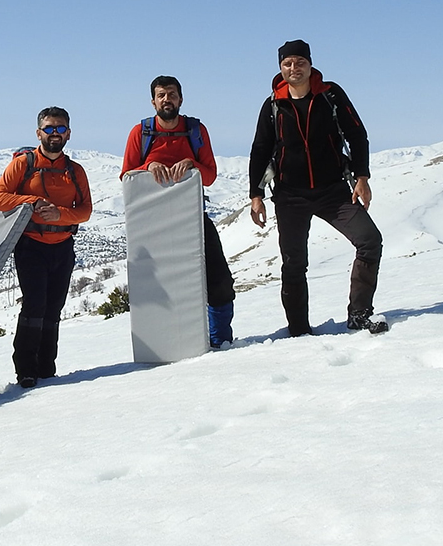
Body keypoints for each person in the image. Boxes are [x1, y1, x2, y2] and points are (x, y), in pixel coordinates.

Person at [247, 39, 387, 335]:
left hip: (334, 191)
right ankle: (298, 329)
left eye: (299, 62)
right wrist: (256, 195)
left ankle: (359, 314)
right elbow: (260, 149)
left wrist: (362, 177)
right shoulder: (273, 104)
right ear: (280, 68)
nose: (294, 68)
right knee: (294, 263)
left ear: (310, 64)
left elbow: (357, 134)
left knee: (369, 240)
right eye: (287, 63)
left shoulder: (330, 95)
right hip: (289, 196)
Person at [120, 75, 236, 348]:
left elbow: (209, 176)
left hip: (193, 216)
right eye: (161, 95)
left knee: (219, 281)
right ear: (153, 101)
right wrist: (147, 168)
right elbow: (126, 176)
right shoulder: (141, 133)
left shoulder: (196, 131)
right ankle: (164, 344)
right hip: (151, 222)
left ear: (180, 99)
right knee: (158, 287)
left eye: (171, 94)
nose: (167, 99)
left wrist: (192, 163)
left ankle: (221, 341)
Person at [0, 107, 93, 388]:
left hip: (62, 246)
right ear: (39, 133)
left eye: (60, 128)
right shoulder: (23, 164)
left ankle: (47, 367)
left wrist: (61, 214)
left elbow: (84, 211)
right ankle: (25, 369)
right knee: (35, 305)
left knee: (54, 308)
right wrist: (31, 202)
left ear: (68, 133)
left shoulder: (75, 171)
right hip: (31, 245)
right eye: (49, 128)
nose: (55, 133)